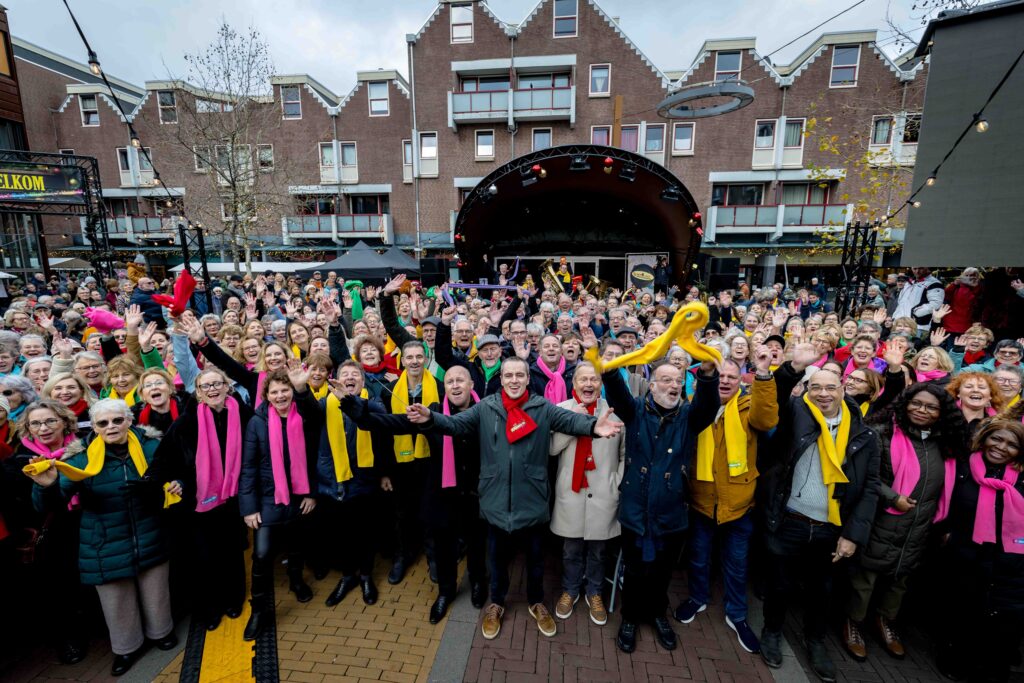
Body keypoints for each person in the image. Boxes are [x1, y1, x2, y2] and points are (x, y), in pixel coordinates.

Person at [405, 356, 622, 640]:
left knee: (535, 560)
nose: (515, 380)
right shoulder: (486, 407)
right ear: (502, 379)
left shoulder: (542, 408)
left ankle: (536, 602)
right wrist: (431, 419)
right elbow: (456, 425)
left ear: (528, 379)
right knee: (496, 559)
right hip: (495, 499)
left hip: (531, 498)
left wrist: (594, 426)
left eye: (520, 375)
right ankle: (496, 603)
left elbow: (569, 420)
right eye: (509, 376)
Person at [24, 398, 177, 676]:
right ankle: (126, 648)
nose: (111, 426)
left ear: (129, 421)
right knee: (116, 600)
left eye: (117, 420)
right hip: (103, 539)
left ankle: (161, 632)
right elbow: (52, 505)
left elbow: (176, 475)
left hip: (150, 530)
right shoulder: (80, 457)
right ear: (93, 426)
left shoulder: (152, 446)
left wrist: (171, 486)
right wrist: (47, 487)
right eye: (102, 422)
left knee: (156, 592)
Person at [758, 347, 881, 681]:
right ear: (807, 390)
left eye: (831, 388)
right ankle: (771, 632)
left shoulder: (863, 434)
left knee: (821, 590)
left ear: (843, 389)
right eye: (816, 388)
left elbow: (870, 487)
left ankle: (815, 642)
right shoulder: (796, 413)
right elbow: (775, 398)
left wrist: (853, 534)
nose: (823, 394)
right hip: (790, 520)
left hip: (831, 527)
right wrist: (792, 367)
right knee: (779, 584)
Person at [600, 347, 720, 654]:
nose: (673, 385)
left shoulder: (688, 417)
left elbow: (707, 407)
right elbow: (617, 395)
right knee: (636, 568)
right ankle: (629, 618)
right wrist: (610, 370)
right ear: (651, 385)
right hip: (636, 508)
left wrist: (707, 374)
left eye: (678, 380)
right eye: (665, 380)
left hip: (671, 510)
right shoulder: (636, 410)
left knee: (663, 570)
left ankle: (656, 614)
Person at [843, 385, 968, 661]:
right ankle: (854, 623)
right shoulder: (882, 433)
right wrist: (892, 498)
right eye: (917, 403)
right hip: (882, 518)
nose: (922, 410)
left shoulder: (944, 442)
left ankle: (886, 621)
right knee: (867, 577)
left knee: (900, 578)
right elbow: (865, 477)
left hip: (920, 524)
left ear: (942, 413)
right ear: (905, 403)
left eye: (931, 407)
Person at [675, 345, 777, 654]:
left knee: (736, 564)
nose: (725, 381)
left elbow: (768, 417)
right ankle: (698, 597)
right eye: (720, 375)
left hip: (739, 504)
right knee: (699, 557)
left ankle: (737, 615)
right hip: (701, 500)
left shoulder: (749, 407)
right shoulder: (695, 405)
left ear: (740, 381)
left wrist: (763, 373)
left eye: (732, 376)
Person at [148, 367, 253, 632]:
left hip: (233, 498)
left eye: (218, 384)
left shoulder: (243, 414)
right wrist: (170, 482)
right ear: (199, 393)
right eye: (206, 387)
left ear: (227, 387)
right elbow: (163, 459)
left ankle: (234, 599)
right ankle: (211, 607)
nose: (213, 390)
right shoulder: (187, 421)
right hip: (199, 500)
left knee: (232, 552)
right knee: (205, 556)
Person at [239, 364, 321, 641]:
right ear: (267, 395)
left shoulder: (304, 415)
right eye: (275, 391)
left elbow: (314, 444)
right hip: (268, 499)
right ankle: (259, 610)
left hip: (300, 495)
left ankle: (297, 581)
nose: (281, 395)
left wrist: (311, 492)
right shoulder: (257, 422)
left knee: (296, 545)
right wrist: (249, 507)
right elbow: (248, 467)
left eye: (285, 390)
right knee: (262, 555)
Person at [938, 419, 1024, 682]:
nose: (1001, 447)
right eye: (996, 439)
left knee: (998, 621)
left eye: (1012, 444)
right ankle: (955, 659)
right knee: (963, 611)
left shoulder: (1022, 477)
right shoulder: (963, 467)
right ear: (984, 438)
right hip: (965, 554)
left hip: (1008, 562)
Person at [5, 401, 88, 664]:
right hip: (51, 534)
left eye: (51, 421)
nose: (44, 428)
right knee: (58, 588)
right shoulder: (17, 461)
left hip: (88, 524)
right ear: (27, 429)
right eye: (36, 423)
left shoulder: (85, 449)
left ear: (65, 421)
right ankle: (69, 639)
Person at [550, 361, 623, 628]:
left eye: (593, 380)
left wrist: (616, 483)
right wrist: (577, 423)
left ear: (601, 384)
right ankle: (570, 590)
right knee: (571, 549)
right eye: (583, 380)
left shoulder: (615, 412)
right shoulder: (561, 411)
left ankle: (594, 592)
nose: (588, 385)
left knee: (599, 550)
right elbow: (552, 449)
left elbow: (625, 453)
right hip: (571, 491)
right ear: (574, 384)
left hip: (603, 492)